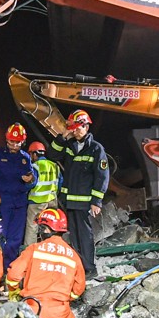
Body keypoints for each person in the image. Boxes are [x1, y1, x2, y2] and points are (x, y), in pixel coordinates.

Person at [6, 208, 87, 318]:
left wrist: (14, 293)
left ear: (46, 229)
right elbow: (79, 288)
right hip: (59, 312)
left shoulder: (34, 249)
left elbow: (13, 275)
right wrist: (65, 298)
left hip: (33, 309)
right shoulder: (73, 255)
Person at [48, 109, 109, 277]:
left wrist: (96, 201)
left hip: (84, 202)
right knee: (74, 236)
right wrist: (63, 136)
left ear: (86, 126)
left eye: (77, 128)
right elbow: (51, 154)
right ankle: (78, 267)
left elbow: (102, 176)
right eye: (73, 128)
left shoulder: (96, 149)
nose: (75, 131)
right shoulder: (68, 145)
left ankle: (90, 268)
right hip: (70, 201)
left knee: (85, 236)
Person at [0, 123, 37, 267]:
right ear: (7, 140)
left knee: (15, 238)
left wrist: (30, 179)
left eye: (17, 142)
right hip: (2, 202)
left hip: (19, 203)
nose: (14, 145)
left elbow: (31, 178)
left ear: (23, 141)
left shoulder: (25, 158)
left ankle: (10, 268)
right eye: (11, 142)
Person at [24, 141, 60, 248]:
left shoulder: (34, 167)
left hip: (36, 203)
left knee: (32, 226)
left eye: (30, 154)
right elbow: (60, 182)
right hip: (52, 201)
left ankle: (29, 251)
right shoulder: (54, 166)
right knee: (51, 225)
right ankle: (52, 247)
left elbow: (30, 185)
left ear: (34, 154)